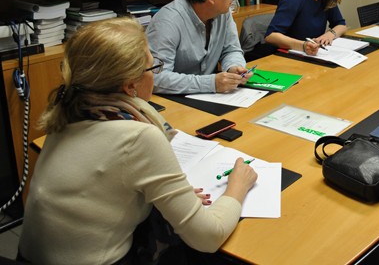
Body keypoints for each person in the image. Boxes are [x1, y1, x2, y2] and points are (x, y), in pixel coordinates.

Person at [18, 18, 257, 264]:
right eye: (153, 69)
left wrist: (174, 199)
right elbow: (208, 237)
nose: (155, 76)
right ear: (130, 85)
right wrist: (237, 187)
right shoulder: (138, 136)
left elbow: (103, 188)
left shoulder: (68, 110)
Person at [147, 0, 251, 94]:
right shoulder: (167, 22)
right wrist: (210, 83)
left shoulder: (222, 12)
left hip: (209, 97)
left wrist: (233, 67)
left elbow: (231, 50)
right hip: (174, 101)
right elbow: (156, 78)